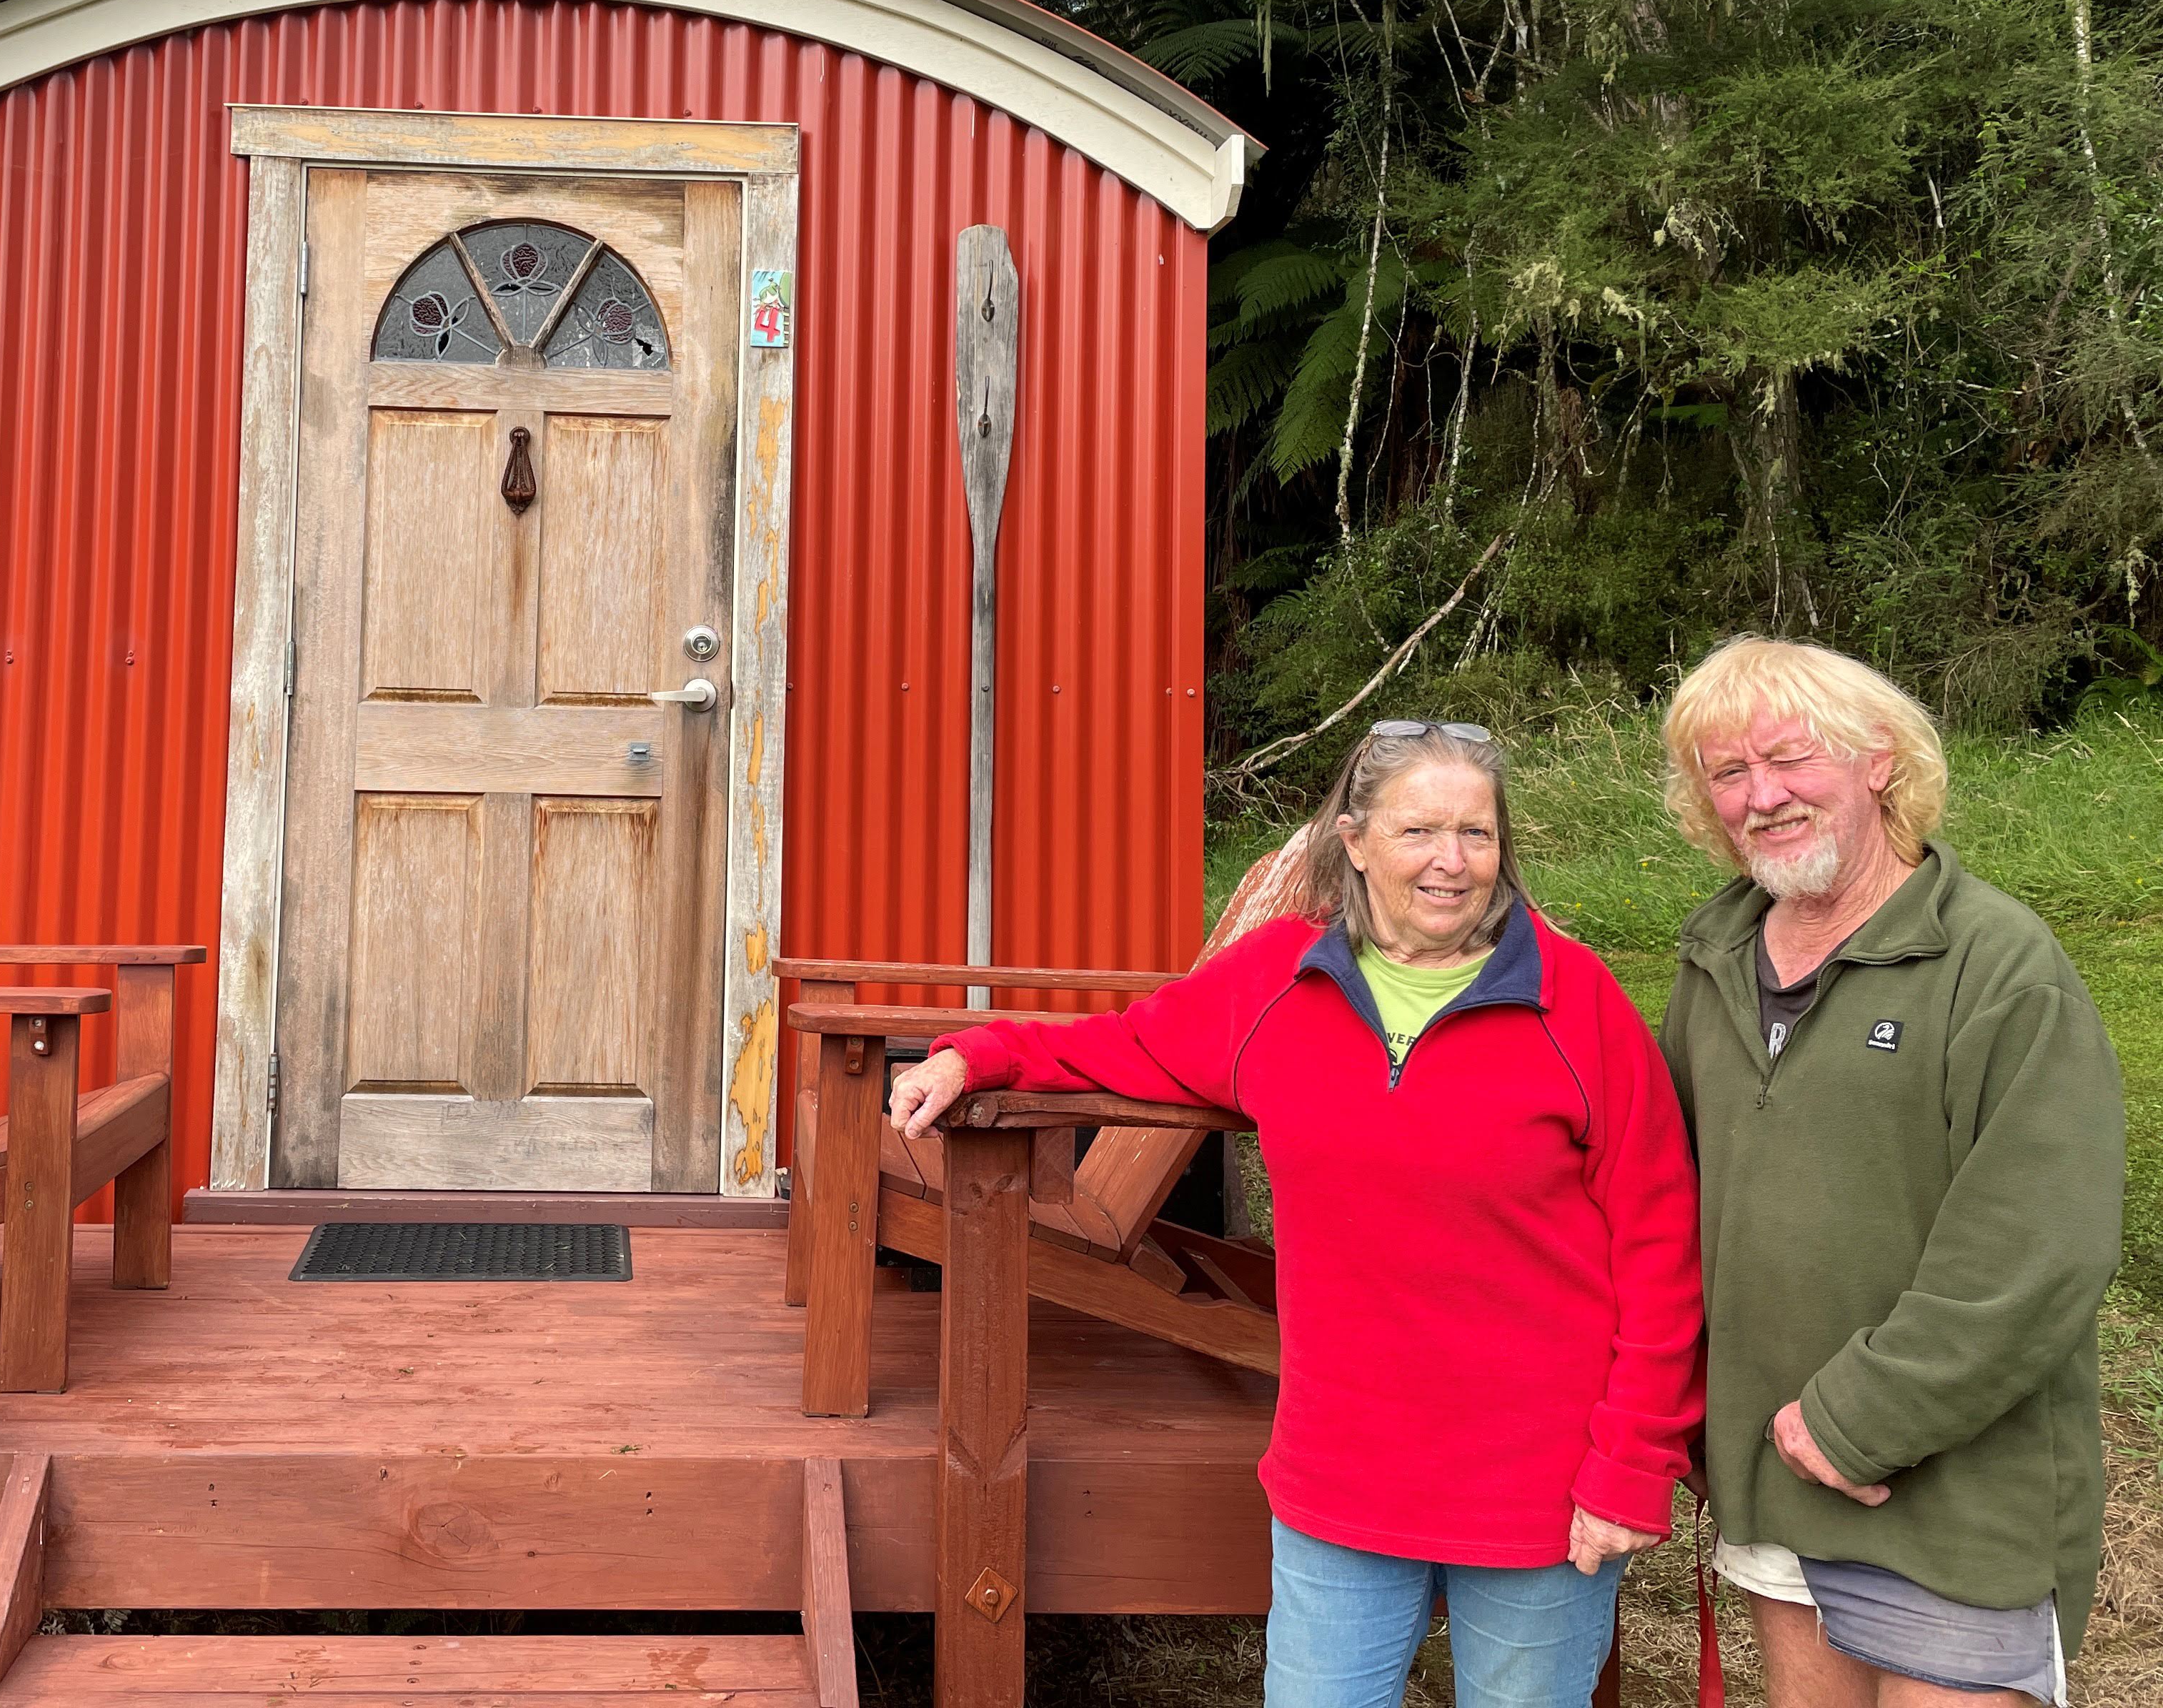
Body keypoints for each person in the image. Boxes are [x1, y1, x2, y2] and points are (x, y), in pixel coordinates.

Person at [891, 720, 1701, 1708]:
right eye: (1419, 832)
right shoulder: (1277, 982)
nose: (1452, 861)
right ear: (1354, 840)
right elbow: (1126, 1047)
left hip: (1539, 1479)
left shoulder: (1579, 1004)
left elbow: (1662, 1246)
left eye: (1477, 834)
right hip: (1342, 1472)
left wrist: (1632, 1463)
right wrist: (975, 1056)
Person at [1660, 637, 2124, 1707]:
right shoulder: (1716, 961)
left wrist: (1857, 1423)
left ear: (1878, 760)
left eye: (1790, 758)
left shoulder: (1997, 963)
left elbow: (2036, 1248)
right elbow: (1666, 1197)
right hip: (1772, 1473)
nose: (1763, 796)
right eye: (1729, 774)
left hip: (1949, 1494)